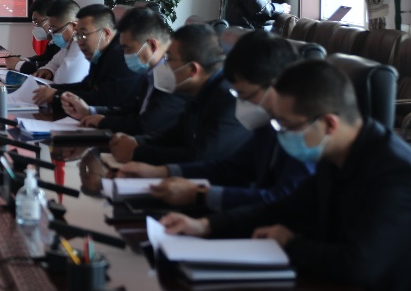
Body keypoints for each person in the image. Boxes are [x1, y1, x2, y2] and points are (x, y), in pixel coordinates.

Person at [161, 59, 411, 291]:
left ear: (329, 124)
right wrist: (205, 226)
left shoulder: (397, 176)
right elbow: (284, 208)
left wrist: (290, 243)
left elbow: (358, 264)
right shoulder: (340, 155)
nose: (281, 135)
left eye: (288, 126)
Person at [116, 31, 313, 211]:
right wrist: (162, 171)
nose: (240, 102)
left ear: (275, 87)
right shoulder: (269, 124)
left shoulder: (304, 133)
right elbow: (234, 167)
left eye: (244, 95)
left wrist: (200, 195)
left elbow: (281, 199)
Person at [109, 22, 250, 166]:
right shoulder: (197, 90)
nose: (164, 65)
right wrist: (136, 141)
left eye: (169, 59)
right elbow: (175, 135)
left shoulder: (228, 101)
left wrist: (138, 152)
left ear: (192, 70)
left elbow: (200, 157)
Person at [64, 7, 185, 137]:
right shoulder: (152, 72)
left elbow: (146, 125)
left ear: (152, 45)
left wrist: (103, 121)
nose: (124, 55)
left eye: (128, 49)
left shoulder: (174, 77)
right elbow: (132, 109)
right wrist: (90, 111)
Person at [42, 5, 141, 113]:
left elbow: (106, 99)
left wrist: (56, 95)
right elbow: (87, 86)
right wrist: (52, 88)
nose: (79, 42)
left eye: (84, 35)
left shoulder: (122, 55)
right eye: (77, 35)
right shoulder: (99, 52)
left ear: (106, 33)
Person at [32, 0, 90, 89]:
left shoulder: (81, 47)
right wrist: (49, 70)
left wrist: (55, 72)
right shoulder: (67, 44)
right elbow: (53, 63)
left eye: (55, 29)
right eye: (50, 28)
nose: (52, 33)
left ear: (74, 26)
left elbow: (63, 81)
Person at [5, 0, 60, 74]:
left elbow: (52, 66)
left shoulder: (62, 40)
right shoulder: (53, 40)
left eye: (37, 22)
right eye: (34, 23)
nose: (36, 27)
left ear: (51, 19)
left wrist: (18, 65)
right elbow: (45, 58)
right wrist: (23, 60)